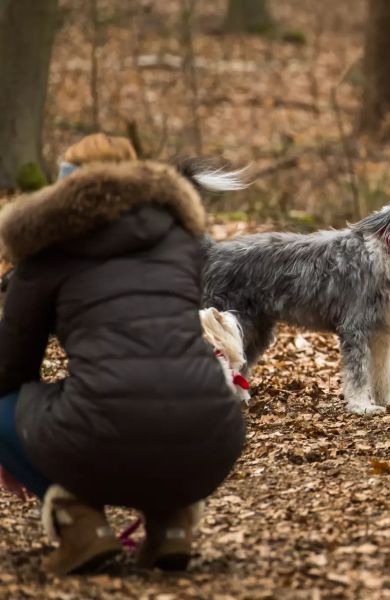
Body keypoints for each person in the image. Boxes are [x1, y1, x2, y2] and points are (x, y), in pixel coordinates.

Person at [0, 134, 245, 576]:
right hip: (213, 432)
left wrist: (15, 441)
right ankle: (171, 521)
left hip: (105, 432)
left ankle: (81, 522)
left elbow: (11, 368)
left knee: (3, 409)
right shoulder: (180, 241)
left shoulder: (46, 251)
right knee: (147, 405)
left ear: (64, 187)